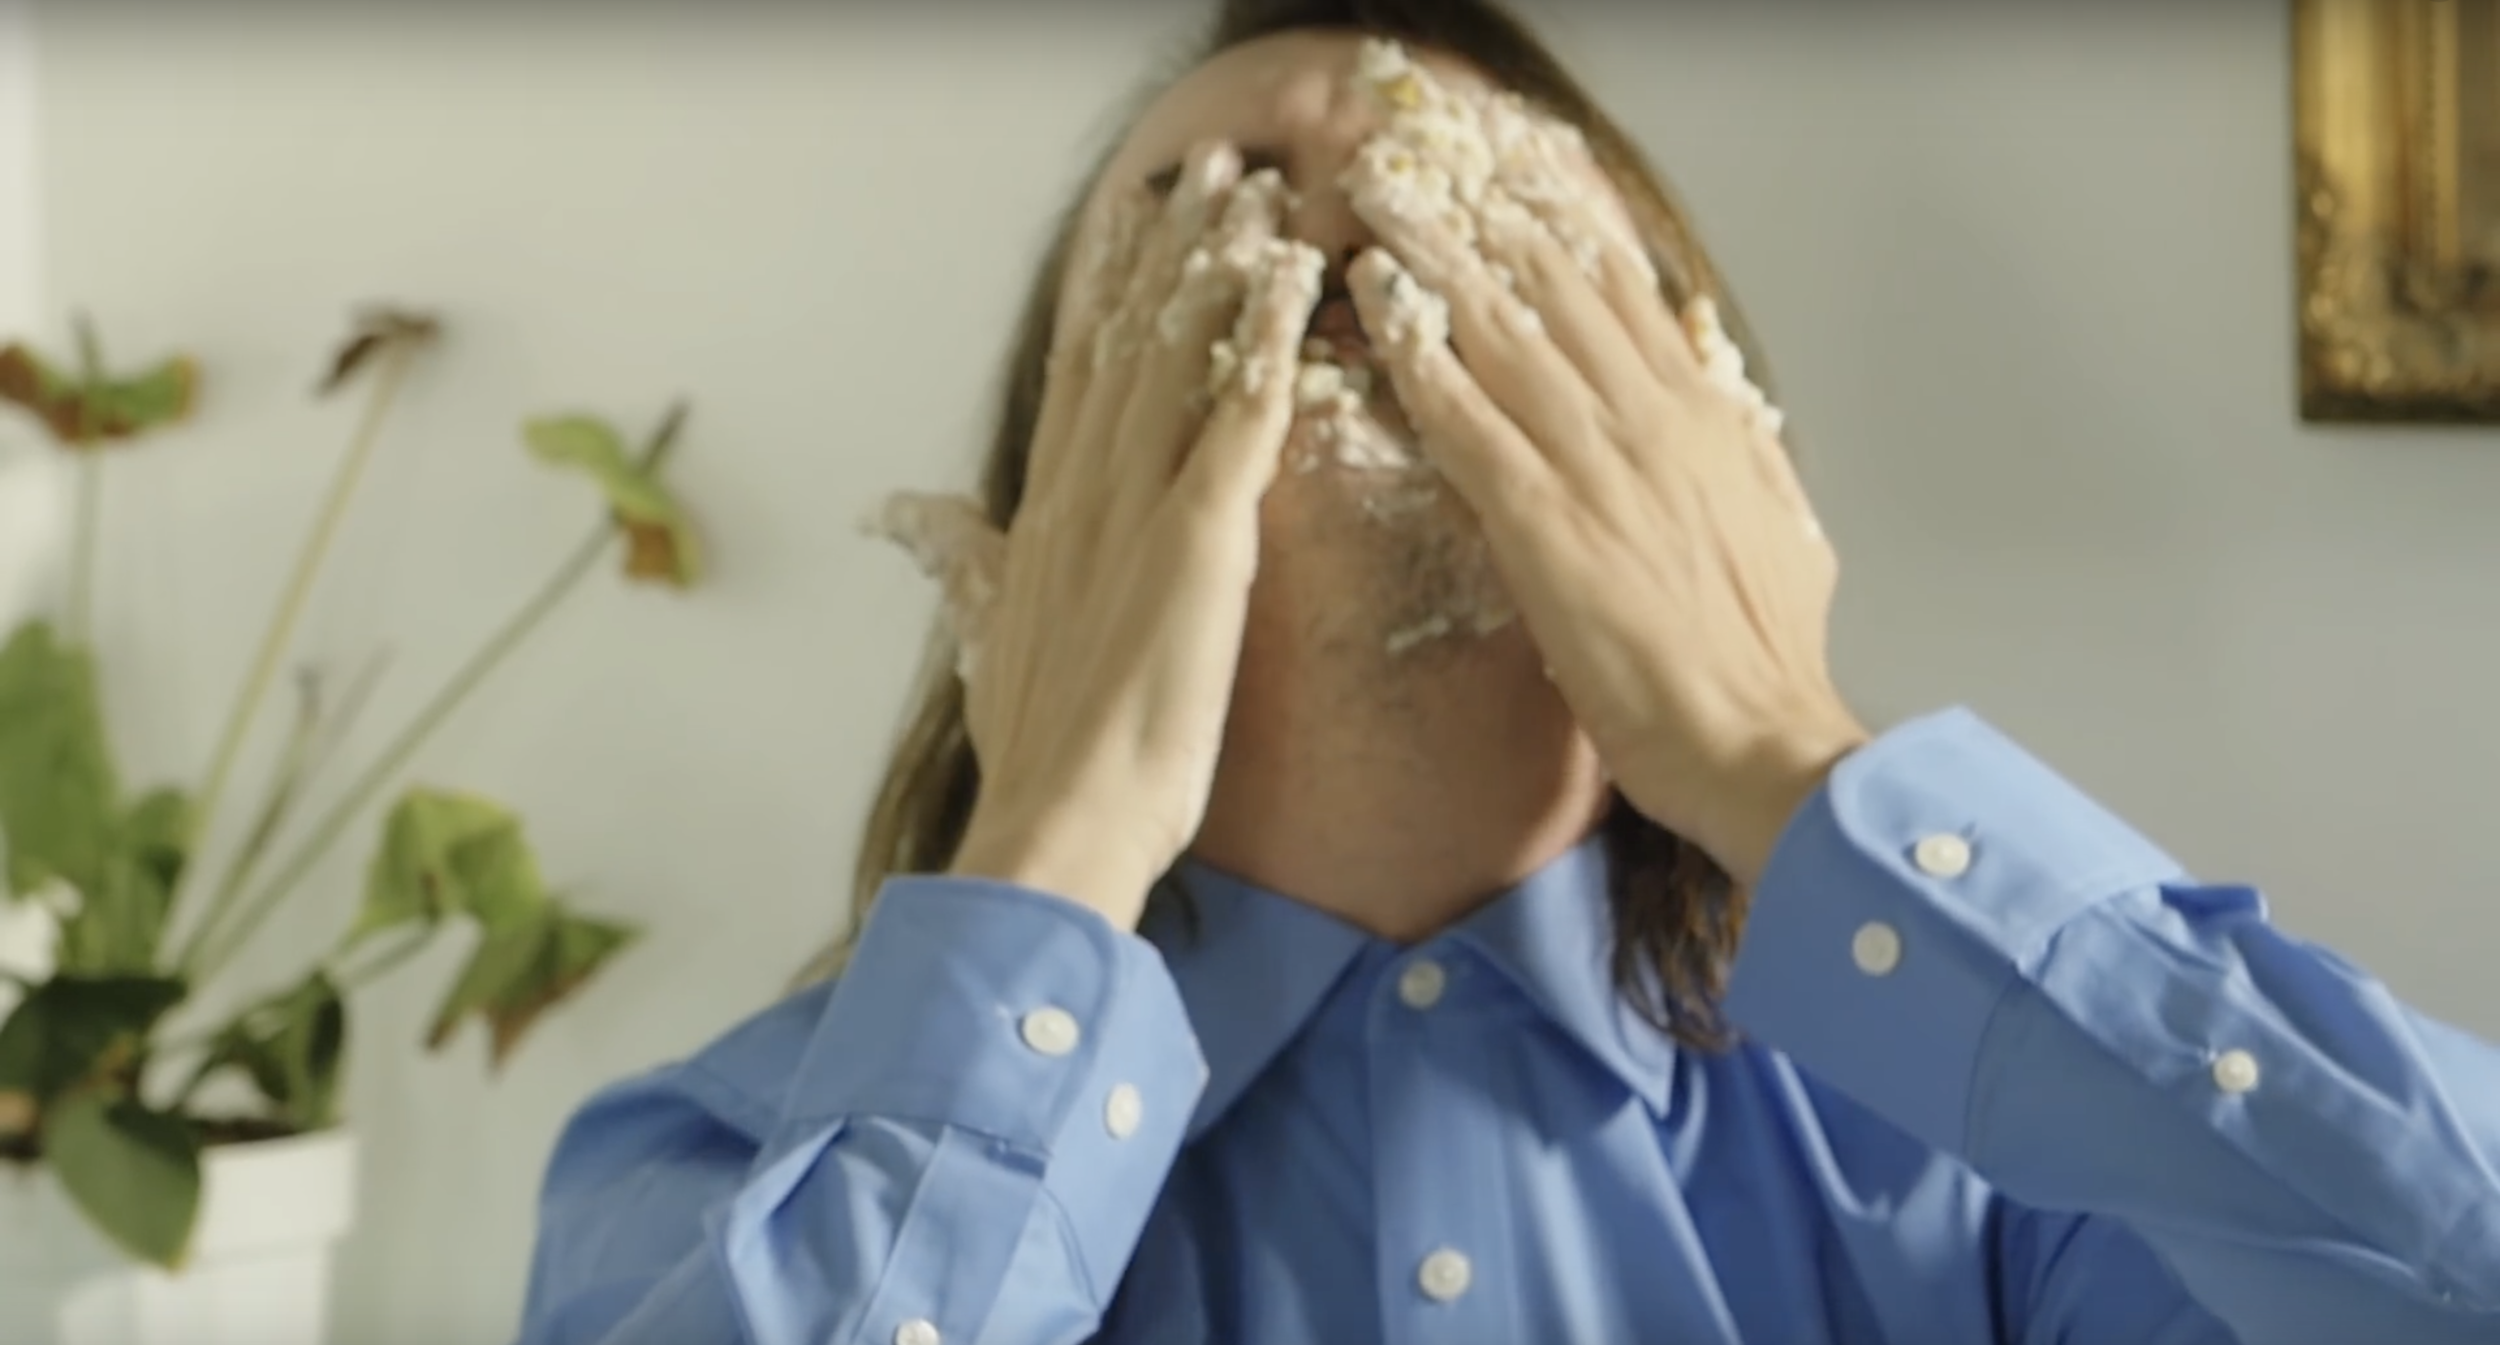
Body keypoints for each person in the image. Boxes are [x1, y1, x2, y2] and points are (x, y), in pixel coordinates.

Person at [514, 2, 2500, 1342]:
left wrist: (1780, 751)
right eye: (1205, 225)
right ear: (1045, 517)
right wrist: (1054, 841)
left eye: (1484, 237)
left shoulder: (2012, 1156)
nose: (1337, 247)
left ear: (1709, 442)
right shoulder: (717, 1181)